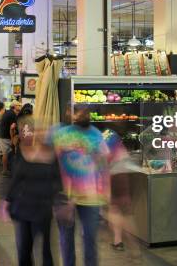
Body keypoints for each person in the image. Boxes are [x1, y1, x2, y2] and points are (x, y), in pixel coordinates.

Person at [52, 105, 111, 266]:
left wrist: (107, 189)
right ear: (71, 114)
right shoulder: (61, 134)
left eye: (86, 112)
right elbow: (56, 165)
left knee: (90, 239)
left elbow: (103, 165)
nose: (84, 115)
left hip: (92, 196)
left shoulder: (96, 134)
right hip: (65, 196)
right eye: (79, 112)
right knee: (66, 239)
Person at [5, 127, 61, 266]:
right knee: (25, 249)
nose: (41, 135)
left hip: (42, 209)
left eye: (44, 133)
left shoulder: (51, 156)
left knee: (45, 250)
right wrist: (8, 200)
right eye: (38, 132)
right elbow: (16, 180)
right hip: (24, 208)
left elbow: (57, 183)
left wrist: (58, 202)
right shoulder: (24, 153)